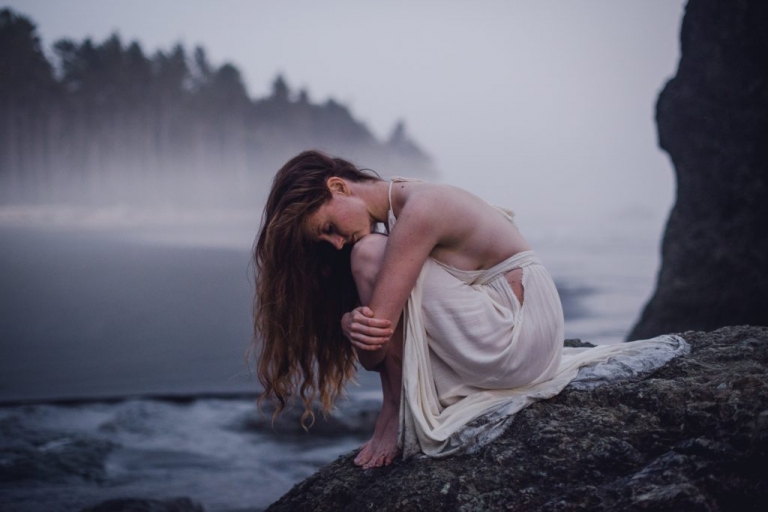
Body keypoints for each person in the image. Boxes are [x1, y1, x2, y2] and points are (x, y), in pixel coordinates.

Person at [253, 150, 687, 469]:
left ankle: (394, 410)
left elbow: (373, 350)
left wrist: (357, 324)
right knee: (371, 256)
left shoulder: (419, 209)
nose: (335, 243)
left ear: (337, 186)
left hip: (516, 331)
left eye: (328, 227)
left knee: (368, 254)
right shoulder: (403, 203)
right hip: (523, 331)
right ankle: (398, 405)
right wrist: (358, 324)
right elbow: (376, 347)